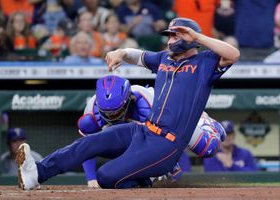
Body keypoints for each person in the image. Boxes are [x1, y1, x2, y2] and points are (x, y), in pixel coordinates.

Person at [16, 17, 239, 190]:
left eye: (175, 36)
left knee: (105, 177)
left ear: (189, 38)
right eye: (169, 36)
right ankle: (36, 174)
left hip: (166, 145)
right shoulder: (164, 59)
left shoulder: (204, 62)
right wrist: (120, 52)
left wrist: (197, 36)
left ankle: (145, 179)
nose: (170, 40)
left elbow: (233, 54)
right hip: (144, 131)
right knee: (89, 143)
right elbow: (138, 56)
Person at [78, 75, 224, 188]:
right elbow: (87, 147)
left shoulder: (147, 104)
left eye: (115, 112)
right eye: (107, 113)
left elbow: (171, 137)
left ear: (129, 99)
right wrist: (91, 178)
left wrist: (169, 162)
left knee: (208, 147)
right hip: (135, 135)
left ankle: (206, 123)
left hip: (174, 118)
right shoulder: (91, 111)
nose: (112, 116)